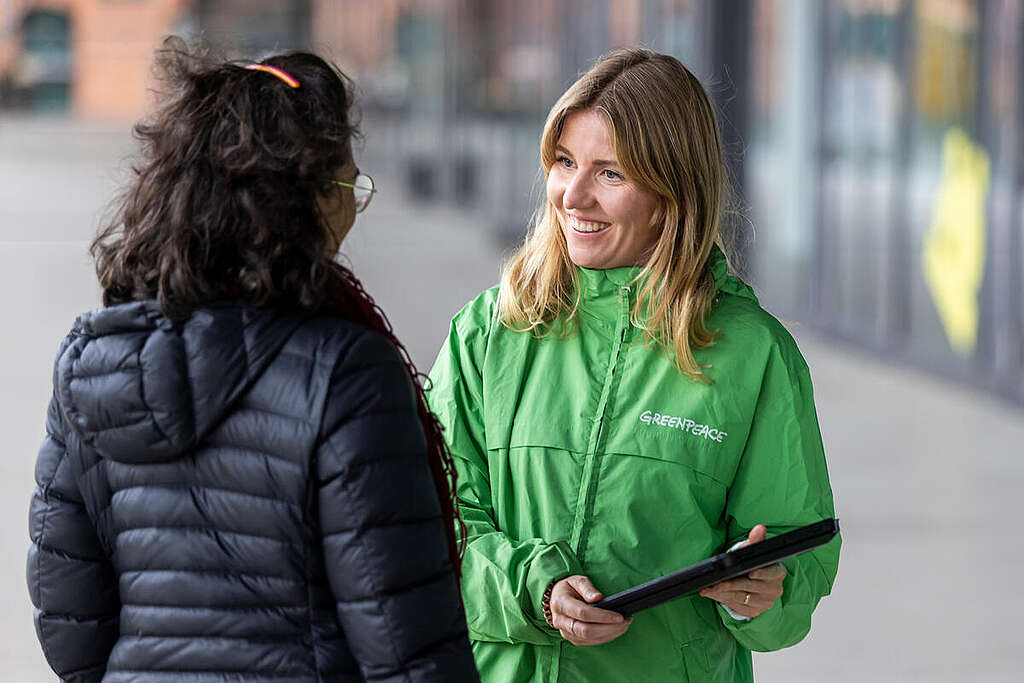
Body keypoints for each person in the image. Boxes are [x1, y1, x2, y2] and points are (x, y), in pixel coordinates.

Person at [27, 39, 480, 683]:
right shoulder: (346, 371)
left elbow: (68, 624)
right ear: (308, 198)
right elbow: (407, 646)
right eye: (350, 181)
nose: (354, 203)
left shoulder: (92, 363)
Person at [427, 47, 841, 682]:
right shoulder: (488, 332)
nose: (574, 195)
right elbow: (431, 527)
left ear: (673, 190)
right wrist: (533, 591)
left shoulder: (752, 355)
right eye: (564, 163)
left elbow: (798, 563)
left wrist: (767, 594)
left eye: (611, 173)